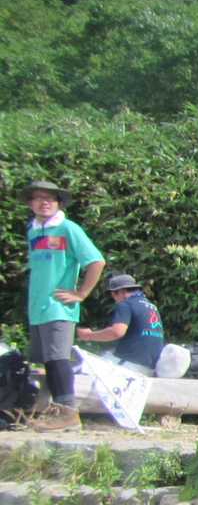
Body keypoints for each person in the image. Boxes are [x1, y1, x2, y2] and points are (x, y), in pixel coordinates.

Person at [21, 179, 105, 432]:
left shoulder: (69, 229)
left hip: (58, 307)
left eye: (50, 198)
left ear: (58, 203)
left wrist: (81, 293)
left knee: (58, 359)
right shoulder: (33, 231)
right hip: (38, 308)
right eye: (38, 198)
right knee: (48, 361)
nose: (44, 202)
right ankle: (55, 413)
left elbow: (96, 261)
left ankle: (69, 414)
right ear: (31, 203)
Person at [76, 273, 165, 375]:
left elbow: (116, 332)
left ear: (122, 291)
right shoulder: (152, 306)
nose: (113, 298)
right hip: (150, 367)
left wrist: (89, 335)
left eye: (113, 294)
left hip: (130, 365)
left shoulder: (126, 305)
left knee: (84, 368)